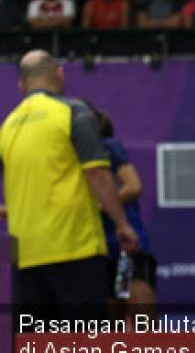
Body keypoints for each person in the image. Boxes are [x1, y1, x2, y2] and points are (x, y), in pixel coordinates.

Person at [0, 51, 139, 321]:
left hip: (24, 257)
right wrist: (122, 223)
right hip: (74, 250)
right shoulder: (74, 111)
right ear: (60, 74)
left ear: (21, 85)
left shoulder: (7, 126)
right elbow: (98, 173)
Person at [92, 109, 158, 324]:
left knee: (142, 323)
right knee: (110, 327)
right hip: (97, 254)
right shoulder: (68, 159)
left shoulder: (107, 147)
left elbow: (134, 186)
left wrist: (102, 205)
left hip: (127, 251)